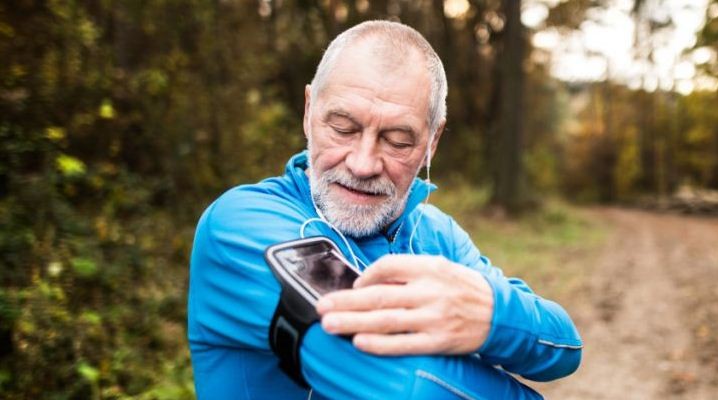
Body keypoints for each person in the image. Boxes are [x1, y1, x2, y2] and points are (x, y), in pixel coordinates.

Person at [187, 20, 582, 399]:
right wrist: (501, 332)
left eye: (397, 141)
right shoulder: (242, 225)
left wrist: (491, 313)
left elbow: (562, 345)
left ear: (433, 141)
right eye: (343, 128)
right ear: (309, 110)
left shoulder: (436, 233)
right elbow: (416, 386)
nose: (362, 164)